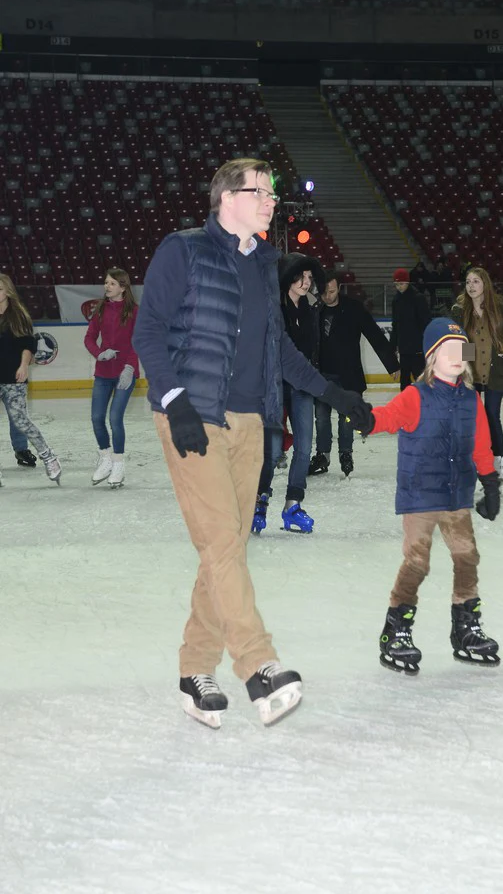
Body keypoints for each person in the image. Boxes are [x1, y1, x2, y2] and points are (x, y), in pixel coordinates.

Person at [132, 158, 362, 729]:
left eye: (272, 193)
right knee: (222, 542)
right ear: (225, 198)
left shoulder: (264, 264)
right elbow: (149, 332)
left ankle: (193, 667)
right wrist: (176, 400)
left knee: (226, 545)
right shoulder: (182, 250)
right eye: (259, 191)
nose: (270, 201)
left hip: (250, 423)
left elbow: (277, 350)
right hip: (193, 417)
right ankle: (258, 665)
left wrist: (333, 392)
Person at [350, 318, 501, 674]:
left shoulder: (470, 399)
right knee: (417, 561)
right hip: (421, 493)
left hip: (457, 494)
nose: (456, 356)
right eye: (447, 349)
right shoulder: (416, 395)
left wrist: (490, 483)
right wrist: (365, 419)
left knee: (467, 557)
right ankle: (396, 630)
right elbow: (387, 417)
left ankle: (465, 628)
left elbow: (481, 444)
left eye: (461, 349)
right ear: (432, 356)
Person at [253, 252, 324, 535]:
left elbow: (312, 351)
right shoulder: (274, 309)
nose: (306, 283)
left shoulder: (309, 311)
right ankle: (259, 502)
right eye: (301, 277)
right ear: (288, 277)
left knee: (305, 448)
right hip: (276, 387)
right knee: (271, 451)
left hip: (303, 388)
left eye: (309, 278)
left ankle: (292, 505)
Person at [308, 271, 399, 477]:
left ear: (339, 287)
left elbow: (374, 334)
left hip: (348, 374)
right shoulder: (314, 309)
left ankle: (345, 453)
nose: (327, 295)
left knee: (346, 417)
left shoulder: (354, 308)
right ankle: (322, 455)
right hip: (321, 375)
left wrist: (391, 364)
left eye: (331, 291)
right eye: (323, 291)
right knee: (321, 417)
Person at [451, 267, 503, 482]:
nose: (471, 286)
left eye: (476, 281)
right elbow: (461, 343)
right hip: (471, 374)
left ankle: (497, 460)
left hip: (496, 373)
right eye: (468, 282)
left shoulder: (500, 310)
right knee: (472, 419)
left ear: (485, 284)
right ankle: (473, 461)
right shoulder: (460, 310)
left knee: (492, 416)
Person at [0, 273, 61, 487]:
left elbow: (28, 345)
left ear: (7, 291)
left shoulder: (19, 315)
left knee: (20, 421)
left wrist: (24, 365)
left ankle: (48, 456)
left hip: (13, 378)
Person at [84, 268, 139, 489]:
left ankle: (118, 463)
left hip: (125, 373)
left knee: (115, 418)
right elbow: (89, 338)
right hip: (103, 373)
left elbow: (139, 341)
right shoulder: (100, 309)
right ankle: (105, 458)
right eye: (106, 283)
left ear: (123, 287)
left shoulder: (135, 311)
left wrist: (130, 367)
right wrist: (100, 353)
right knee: (97, 418)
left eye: (112, 283)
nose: (107, 286)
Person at [390, 268, 431, 390]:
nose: (399, 287)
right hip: (404, 350)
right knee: (404, 384)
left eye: (401, 284)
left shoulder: (418, 298)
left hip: (418, 349)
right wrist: (393, 346)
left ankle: (425, 406)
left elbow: (426, 323)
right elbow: (395, 325)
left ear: (408, 282)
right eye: (396, 284)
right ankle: (406, 407)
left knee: (421, 382)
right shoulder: (396, 300)